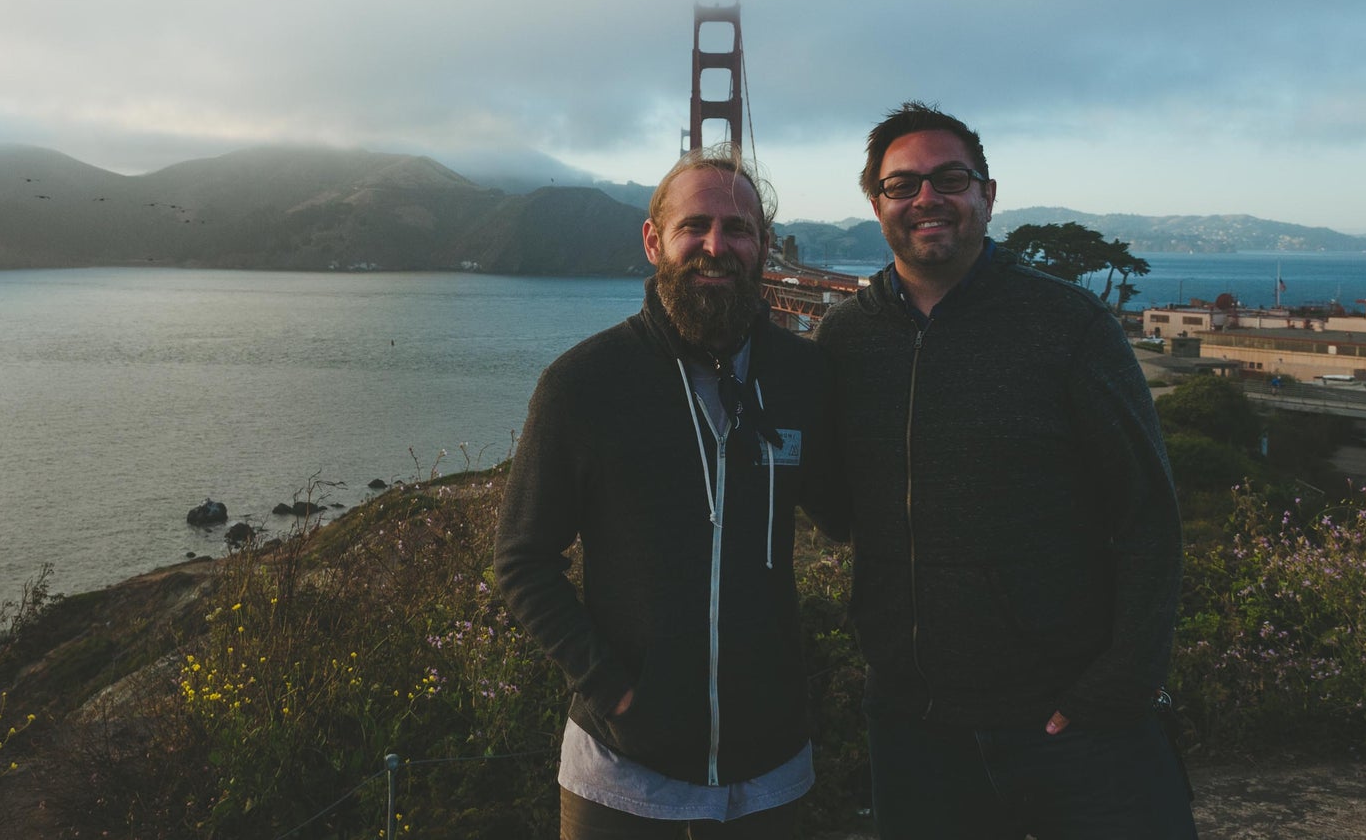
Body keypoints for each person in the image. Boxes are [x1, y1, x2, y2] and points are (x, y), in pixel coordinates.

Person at [811, 102, 1194, 839]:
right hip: (914, 724)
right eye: (903, 184)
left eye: (950, 178)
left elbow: (1149, 513)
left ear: (988, 194)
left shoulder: (1069, 326)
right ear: (875, 204)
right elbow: (834, 503)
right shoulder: (844, 339)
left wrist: (1120, 684)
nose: (927, 197)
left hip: (1073, 721)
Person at [495, 148, 832, 839]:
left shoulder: (804, 376)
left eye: (738, 229)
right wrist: (612, 688)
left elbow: (858, 513)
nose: (717, 246)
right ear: (654, 241)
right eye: (694, 226)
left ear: (764, 245)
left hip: (771, 768)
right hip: (621, 773)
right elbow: (523, 559)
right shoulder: (584, 384)